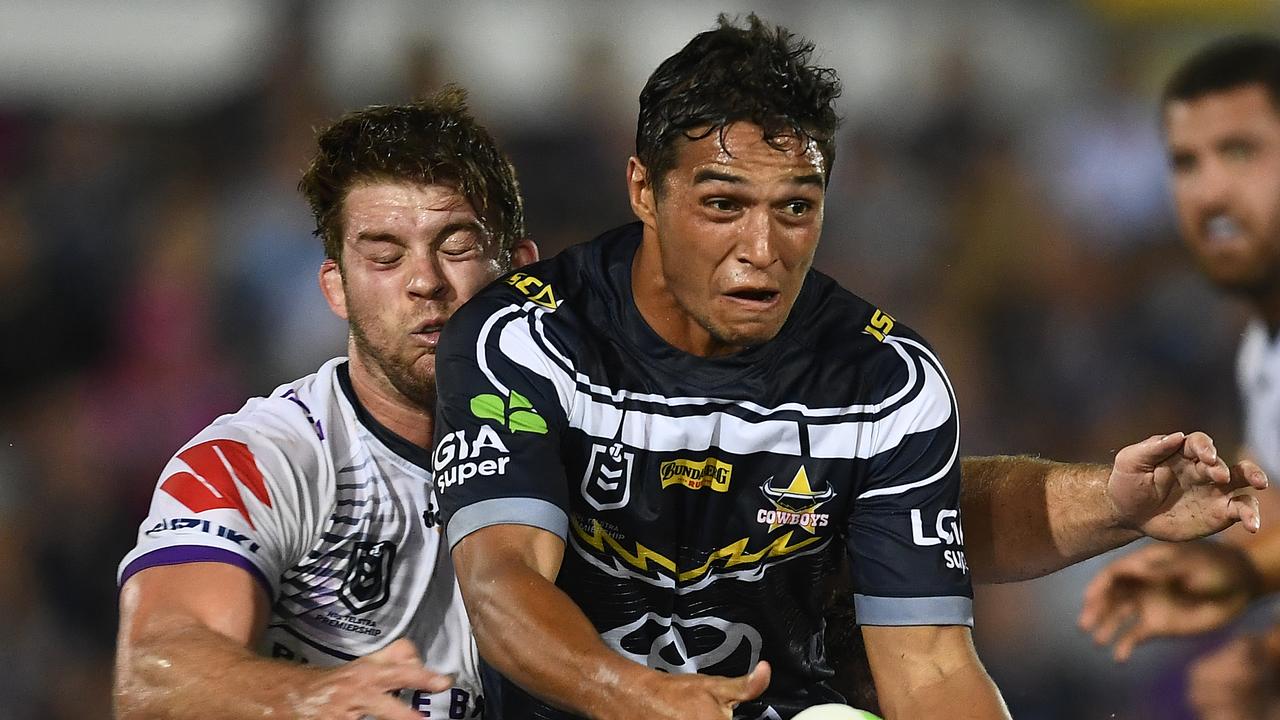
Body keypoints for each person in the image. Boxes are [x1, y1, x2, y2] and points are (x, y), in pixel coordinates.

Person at [433, 16, 1266, 720]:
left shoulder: (883, 383)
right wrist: (647, 698)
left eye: (797, 206)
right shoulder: (523, 338)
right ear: (644, 190)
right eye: (722, 205)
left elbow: (932, 667)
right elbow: (502, 587)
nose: (761, 251)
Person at [113, 89, 538, 719]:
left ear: (520, 274)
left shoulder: (597, 455)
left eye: (455, 247)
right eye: (384, 257)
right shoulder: (255, 460)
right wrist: (311, 695)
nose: (425, 281)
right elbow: (153, 674)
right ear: (335, 287)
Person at [1079, 35, 1280, 718]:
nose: (1210, 190)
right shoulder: (1262, 349)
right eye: (1186, 162)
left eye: (1242, 151)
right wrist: (1241, 570)